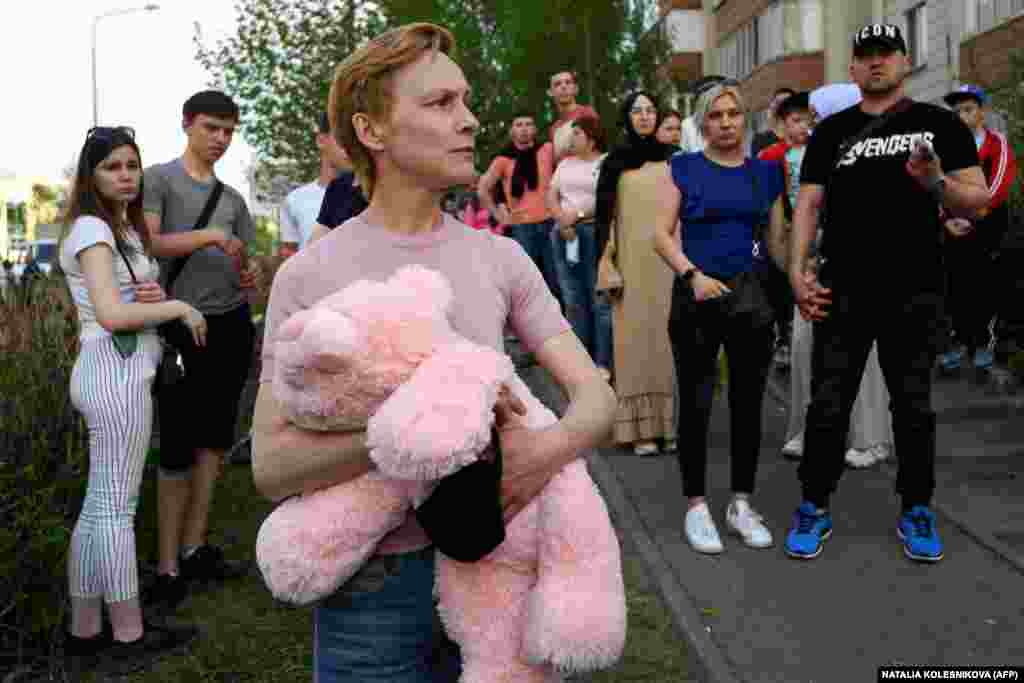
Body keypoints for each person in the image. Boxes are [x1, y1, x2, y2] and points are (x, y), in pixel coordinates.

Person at [251, 22, 617, 682]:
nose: (471, 120)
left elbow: (596, 398)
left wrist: (545, 451)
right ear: (372, 130)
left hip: (500, 572)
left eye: (466, 100)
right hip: (369, 594)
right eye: (441, 103)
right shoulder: (309, 274)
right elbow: (272, 465)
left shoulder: (500, 258)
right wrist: (411, 434)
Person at [785, 24, 990, 563]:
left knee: (914, 406)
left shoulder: (939, 124)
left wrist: (935, 184)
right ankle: (814, 504)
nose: (876, 63)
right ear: (852, 68)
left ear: (904, 61)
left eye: (886, 54)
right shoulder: (831, 133)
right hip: (842, 288)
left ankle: (917, 508)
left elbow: (978, 200)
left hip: (915, 287)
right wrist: (796, 271)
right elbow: (807, 206)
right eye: (866, 55)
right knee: (828, 404)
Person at [61, 126, 201, 667]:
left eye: (132, 165)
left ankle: (85, 629)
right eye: (111, 167)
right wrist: (177, 309)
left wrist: (154, 296)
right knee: (117, 509)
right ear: (90, 176)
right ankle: (128, 636)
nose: (125, 175)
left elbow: (122, 301)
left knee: (100, 507)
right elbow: (112, 316)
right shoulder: (95, 227)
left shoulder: (118, 227)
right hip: (112, 371)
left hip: (113, 369)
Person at [654, 82, 786, 554]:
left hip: (751, 300)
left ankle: (741, 504)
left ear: (743, 119)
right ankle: (696, 505)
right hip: (696, 297)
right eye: (716, 115)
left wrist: (801, 282)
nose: (727, 122)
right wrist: (693, 275)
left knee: (749, 404)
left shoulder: (766, 174)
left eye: (733, 114)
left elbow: (776, 244)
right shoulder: (683, 167)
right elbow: (661, 235)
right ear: (703, 122)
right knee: (697, 402)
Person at [142, 90, 259, 607]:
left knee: (215, 438)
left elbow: (242, 259)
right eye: (212, 127)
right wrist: (210, 236)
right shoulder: (158, 179)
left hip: (231, 323)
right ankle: (166, 566)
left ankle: (195, 547)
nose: (221, 139)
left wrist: (247, 271)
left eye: (229, 131)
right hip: (178, 325)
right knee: (176, 444)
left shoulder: (234, 199)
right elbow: (148, 244)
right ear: (187, 124)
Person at [762, 93, 893, 469]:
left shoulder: (870, 153)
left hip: (863, 265)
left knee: (864, 351)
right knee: (805, 344)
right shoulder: (814, 154)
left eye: (819, 116)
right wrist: (799, 257)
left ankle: (872, 437)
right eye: (811, 118)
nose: (812, 124)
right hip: (817, 264)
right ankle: (809, 427)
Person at [594, 91, 677, 456]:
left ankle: (669, 427)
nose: (644, 116)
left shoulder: (675, 160)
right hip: (631, 265)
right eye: (637, 111)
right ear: (626, 117)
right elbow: (604, 217)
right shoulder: (615, 162)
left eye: (649, 111)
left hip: (670, 265)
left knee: (669, 343)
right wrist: (606, 261)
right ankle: (641, 430)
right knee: (635, 345)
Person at [938, 84, 1018, 374]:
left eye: (968, 109)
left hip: (988, 224)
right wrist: (946, 219)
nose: (962, 115)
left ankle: (984, 341)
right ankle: (960, 339)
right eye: (956, 110)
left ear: (982, 112)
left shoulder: (997, 145)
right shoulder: (945, 146)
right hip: (953, 225)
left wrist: (974, 215)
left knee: (986, 281)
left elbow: (998, 183)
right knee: (955, 282)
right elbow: (936, 184)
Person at [546, 115, 612, 380]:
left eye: (576, 134)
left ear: (591, 137)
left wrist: (578, 213)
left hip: (591, 231)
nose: (571, 139)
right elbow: (551, 195)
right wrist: (561, 219)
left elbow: (606, 197)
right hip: (563, 234)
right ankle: (581, 364)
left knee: (599, 299)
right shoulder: (564, 165)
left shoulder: (605, 162)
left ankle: (603, 363)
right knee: (573, 300)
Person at [478, 112, 561, 305]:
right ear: (511, 131)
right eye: (518, 125)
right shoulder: (503, 160)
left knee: (555, 282)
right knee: (528, 284)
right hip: (522, 228)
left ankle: (560, 329)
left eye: (528, 124)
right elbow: (483, 189)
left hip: (550, 223)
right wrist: (499, 216)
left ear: (534, 129)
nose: (524, 129)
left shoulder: (547, 150)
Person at [279, 113, 350, 257]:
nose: (351, 146)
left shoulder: (374, 197)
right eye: (343, 137)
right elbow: (288, 258)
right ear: (321, 140)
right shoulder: (295, 200)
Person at [547, 70, 599, 151]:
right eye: (557, 84)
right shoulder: (553, 129)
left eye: (568, 82)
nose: (563, 87)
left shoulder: (587, 113)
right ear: (550, 92)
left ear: (576, 89)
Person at [751, 87, 796, 157]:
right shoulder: (760, 140)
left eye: (786, 103)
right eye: (777, 102)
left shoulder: (804, 135)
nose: (781, 106)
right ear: (772, 106)